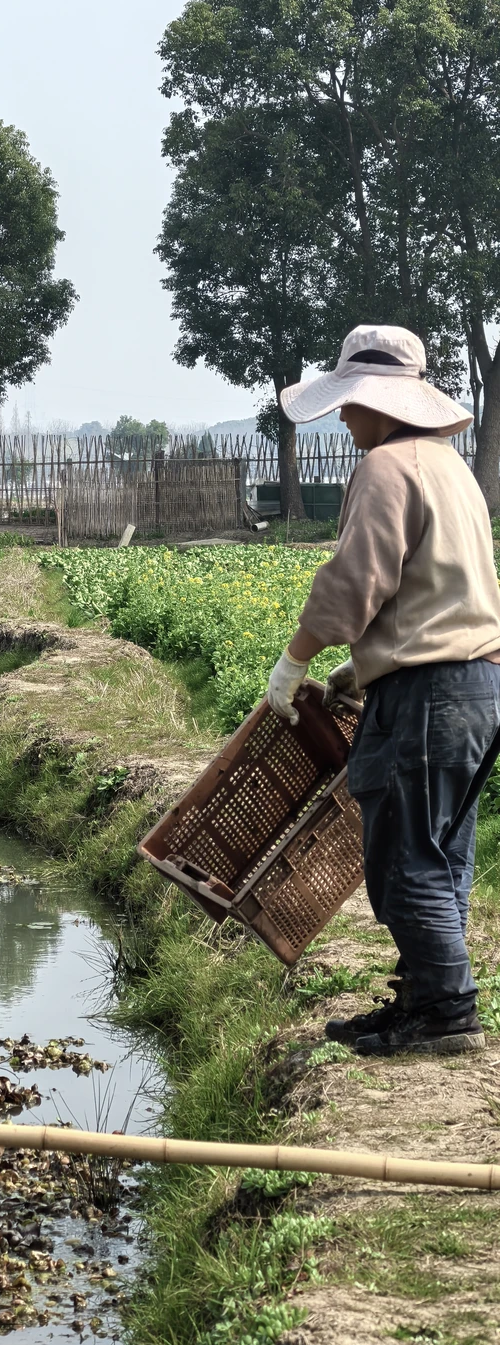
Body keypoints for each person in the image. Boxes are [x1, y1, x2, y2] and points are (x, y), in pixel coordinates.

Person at [265, 324, 500, 1057]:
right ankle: (426, 998)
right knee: (441, 851)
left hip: (428, 694)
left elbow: (354, 581)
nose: (341, 415)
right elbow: (426, 590)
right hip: (476, 684)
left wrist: (297, 658)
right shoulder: (447, 465)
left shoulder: (387, 468)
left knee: (405, 856)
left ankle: (444, 1014)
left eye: (348, 401)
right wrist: (360, 667)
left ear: (380, 401)